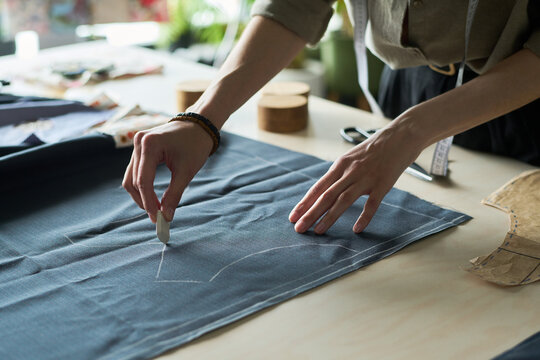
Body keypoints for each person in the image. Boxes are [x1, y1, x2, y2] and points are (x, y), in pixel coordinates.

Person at [122, 0, 540, 235]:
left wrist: (411, 131)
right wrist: (201, 119)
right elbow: (293, 7)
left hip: (523, 100)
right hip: (411, 90)